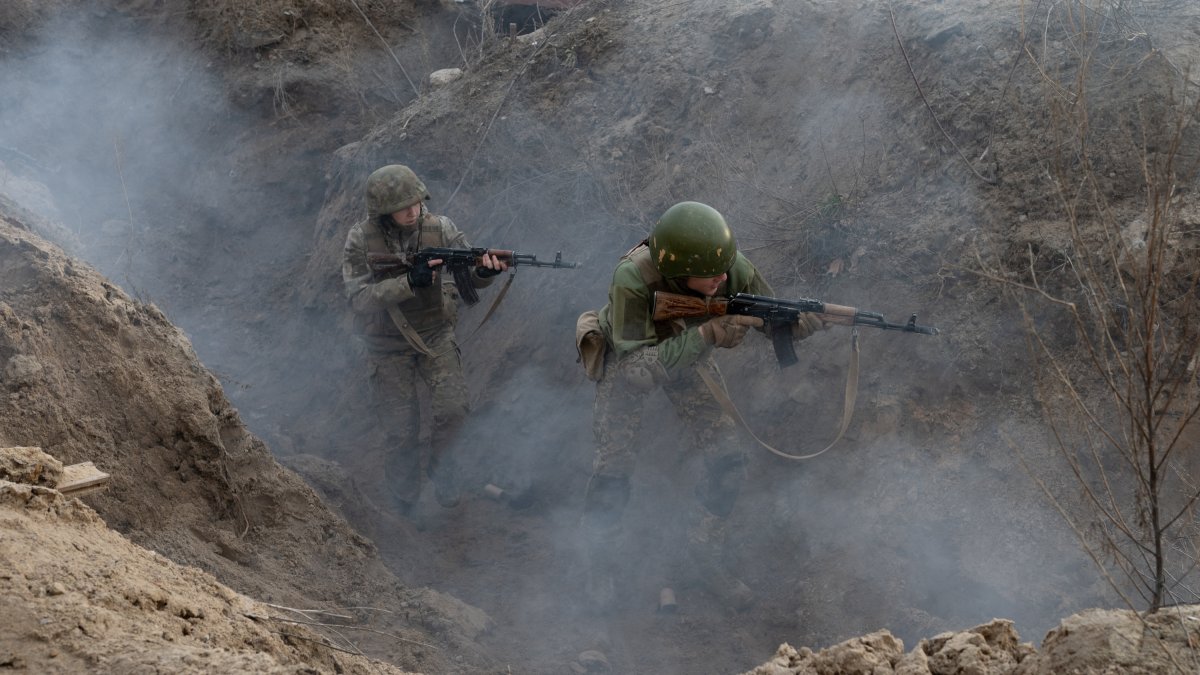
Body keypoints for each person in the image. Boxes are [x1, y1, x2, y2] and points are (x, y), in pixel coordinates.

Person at [580, 200, 822, 611]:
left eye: (725, 269)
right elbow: (638, 370)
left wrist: (798, 325)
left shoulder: (729, 267)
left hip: (688, 351)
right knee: (613, 470)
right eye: (710, 275)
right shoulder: (633, 278)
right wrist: (708, 335)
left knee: (728, 460)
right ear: (677, 271)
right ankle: (597, 568)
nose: (723, 279)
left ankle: (701, 556)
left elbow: (771, 315)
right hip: (630, 355)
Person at [342, 164, 508, 514]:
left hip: (435, 333)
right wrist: (408, 282)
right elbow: (358, 298)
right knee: (400, 431)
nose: (412, 211)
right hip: (387, 346)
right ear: (382, 210)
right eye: (403, 206)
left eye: (416, 203)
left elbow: (470, 272)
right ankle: (404, 502)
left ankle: (445, 473)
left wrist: (484, 272)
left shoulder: (440, 228)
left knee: (454, 410)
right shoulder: (361, 238)